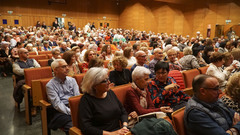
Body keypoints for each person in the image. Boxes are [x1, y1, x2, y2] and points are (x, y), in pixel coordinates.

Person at [78, 67, 129, 135]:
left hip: (119, 132)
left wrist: (124, 127)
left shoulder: (110, 93)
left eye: (108, 79)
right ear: (94, 85)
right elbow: (86, 127)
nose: (109, 82)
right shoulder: (86, 100)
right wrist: (111, 134)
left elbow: (123, 112)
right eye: (105, 81)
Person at [46, 59, 80, 135]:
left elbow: (76, 97)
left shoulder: (72, 80)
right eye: (64, 67)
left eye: (67, 66)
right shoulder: (50, 85)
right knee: (72, 127)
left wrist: (76, 109)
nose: (67, 68)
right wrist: (71, 112)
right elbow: (57, 104)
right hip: (61, 111)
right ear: (55, 70)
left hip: (74, 106)